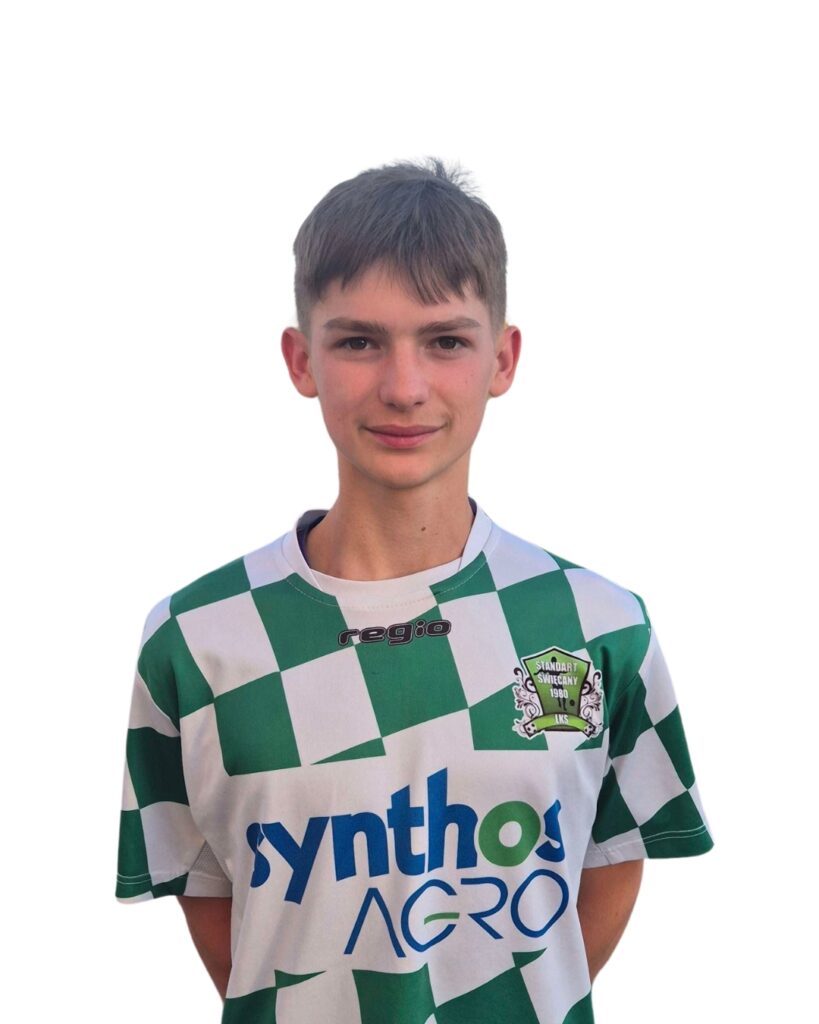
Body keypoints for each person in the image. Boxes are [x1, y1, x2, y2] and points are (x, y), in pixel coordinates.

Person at [115, 156, 714, 1023]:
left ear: (502, 358)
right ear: (301, 360)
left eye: (445, 341)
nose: (403, 388)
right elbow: (210, 894)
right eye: (359, 342)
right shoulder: (197, 638)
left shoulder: (597, 625)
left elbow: (613, 857)